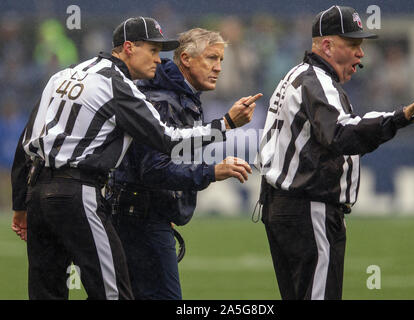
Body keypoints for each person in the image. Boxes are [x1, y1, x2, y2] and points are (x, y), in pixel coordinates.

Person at [10, 17, 260, 300]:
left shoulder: (64, 75)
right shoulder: (120, 86)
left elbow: (26, 140)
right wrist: (225, 124)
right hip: (78, 192)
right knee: (113, 293)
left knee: (46, 293)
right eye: (152, 51)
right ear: (128, 48)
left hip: (38, 194)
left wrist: (21, 204)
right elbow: (167, 140)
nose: (158, 59)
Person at [255, 5, 414, 300]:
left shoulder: (299, 75)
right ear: (327, 45)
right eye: (353, 44)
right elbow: (339, 134)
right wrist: (397, 118)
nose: (361, 54)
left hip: (286, 205)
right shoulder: (316, 81)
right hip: (308, 207)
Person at [108, 28, 254, 300]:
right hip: (141, 220)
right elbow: (154, 170)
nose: (218, 68)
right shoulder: (164, 100)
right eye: (211, 58)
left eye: (221, 60)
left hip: (141, 214)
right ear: (185, 59)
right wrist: (213, 171)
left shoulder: (176, 96)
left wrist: (167, 206)